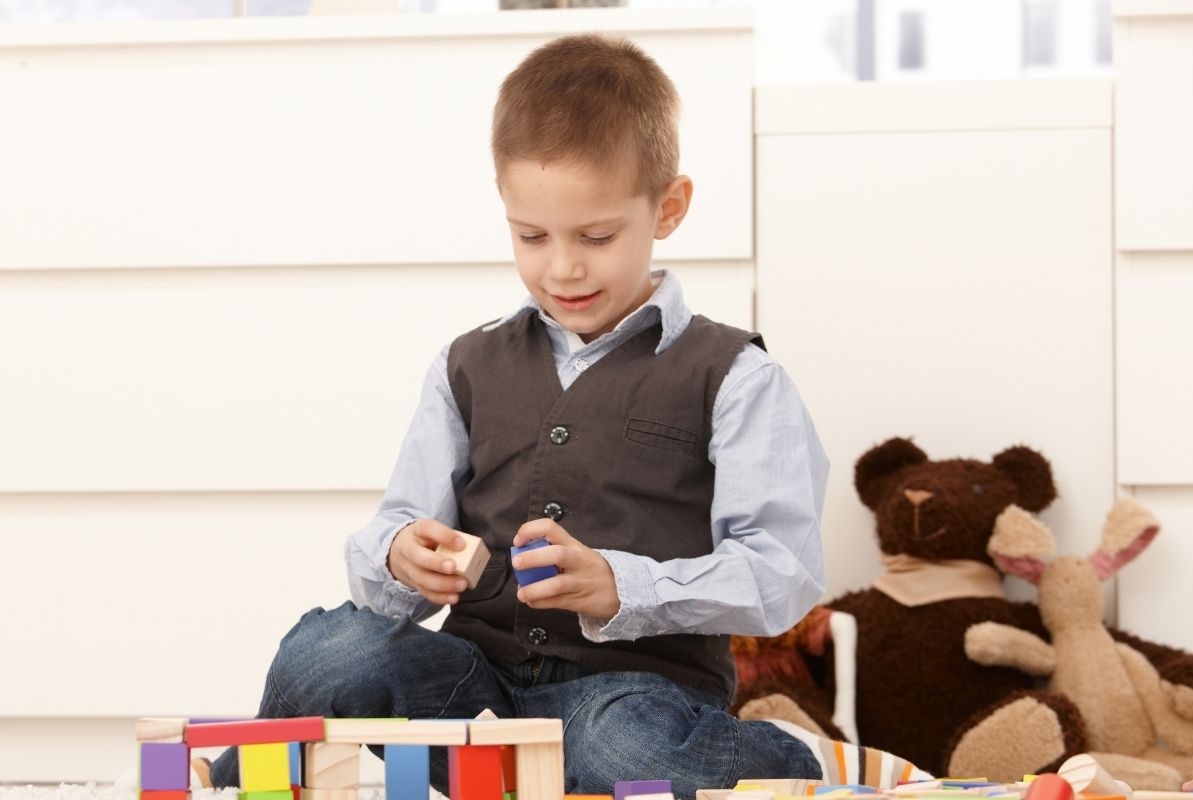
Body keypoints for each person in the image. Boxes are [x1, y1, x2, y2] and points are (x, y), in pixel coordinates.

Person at [209, 33, 841, 798]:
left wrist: (620, 586)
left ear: (667, 209)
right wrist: (403, 555)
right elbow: (395, 539)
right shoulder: (466, 366)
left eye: (597, 237)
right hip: (474, 695)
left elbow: (781, 573)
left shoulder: (735, 376)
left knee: (630, 748)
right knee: (330, 651)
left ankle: (790, 762)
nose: (562, 267)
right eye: (531, 236)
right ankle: (228, 788)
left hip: (629, 696)